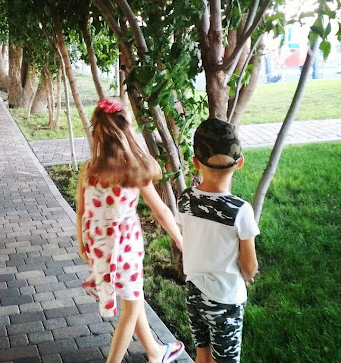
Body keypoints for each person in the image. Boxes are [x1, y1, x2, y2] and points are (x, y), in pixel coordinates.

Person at [76, 98, 185, 363]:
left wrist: (81, 244)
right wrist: (182, 242)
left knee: (133, 298)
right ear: (126, 131)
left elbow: (80, 211)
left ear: (98, 132)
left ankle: (155, 352)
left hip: (99, 248)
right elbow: (161, 211)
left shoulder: (88, 170)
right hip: (123, 251)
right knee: (130, 310)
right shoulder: (131, 171)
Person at [176, 118, 259, 363]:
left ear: (195, 163)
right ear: (240, 162)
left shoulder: (185, 200)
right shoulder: (240, 210)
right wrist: (248, 274)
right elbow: (250, 266)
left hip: (194, 292)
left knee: (202, 354)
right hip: (226, 299)